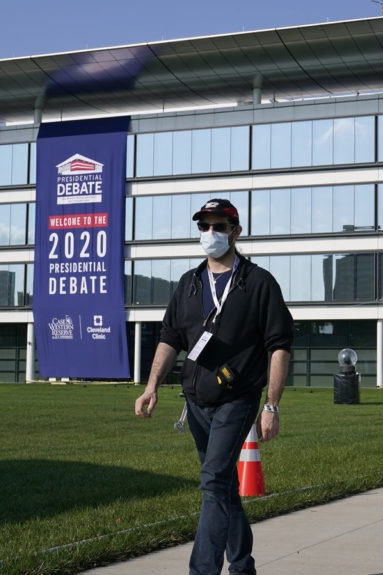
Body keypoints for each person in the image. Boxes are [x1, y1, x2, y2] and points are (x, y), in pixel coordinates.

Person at [135, 198, 294, 575]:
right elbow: (170, 337)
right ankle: (242, 566)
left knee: (211, 481)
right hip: (194, 400)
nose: (210, 233)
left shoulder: (258, 283)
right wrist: (152, 385)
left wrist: (271, 406)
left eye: (219, 226)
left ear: (236, 232)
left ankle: (202, 570)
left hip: (237, 399)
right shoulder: (189, 283)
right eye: (204, 226)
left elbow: (279, 346)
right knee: (221, 485)